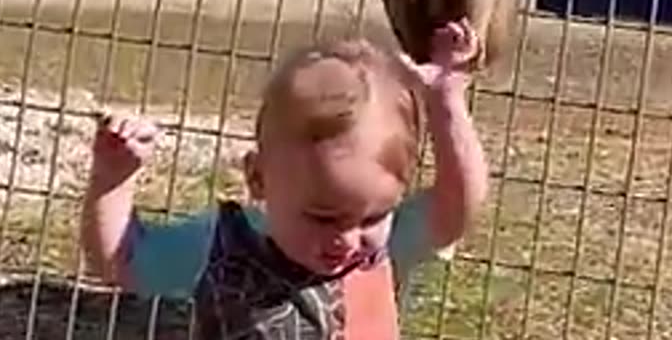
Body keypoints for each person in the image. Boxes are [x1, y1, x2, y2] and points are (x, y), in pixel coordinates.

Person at [79, 20, 489, 339]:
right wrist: (113, 180)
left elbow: (457, 210)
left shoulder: (385, 246)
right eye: (322, 217)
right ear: (259, 179)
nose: (348, 240)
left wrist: (447, 101)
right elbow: (120, 261)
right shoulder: (223, 248)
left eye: (371, 217)